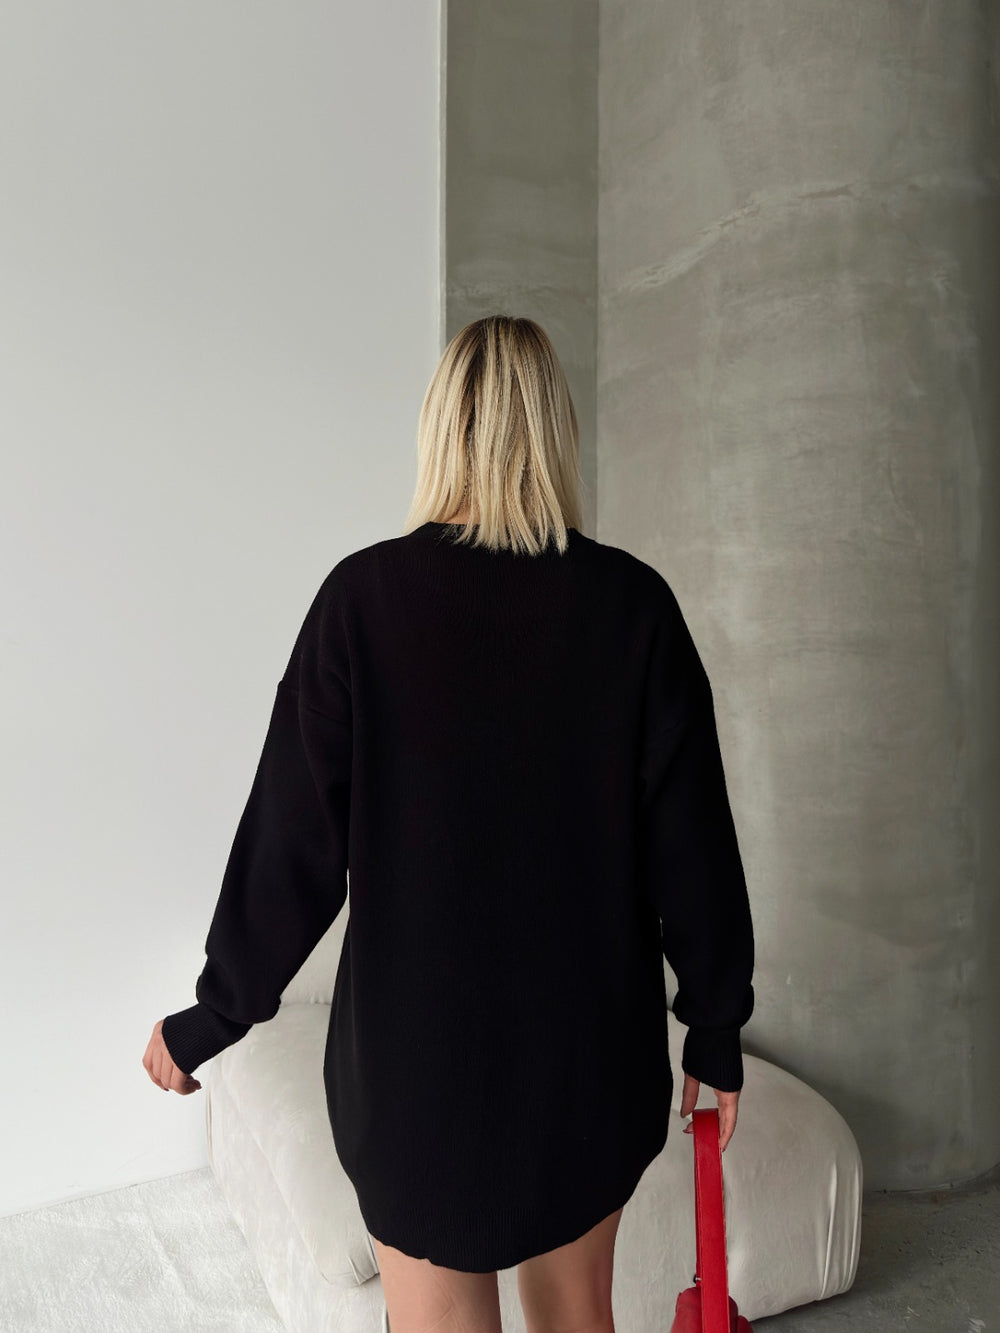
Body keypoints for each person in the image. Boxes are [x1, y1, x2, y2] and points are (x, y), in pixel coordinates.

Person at [143, 314, 755, 1333]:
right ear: (555, 434)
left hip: (411, 1072)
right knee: (576, 1315)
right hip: (585, 1060)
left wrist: (215, 1013)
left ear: (438, 432)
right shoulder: (634, 607)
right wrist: (715, 1022)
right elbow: (691, 847)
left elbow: (292, 845)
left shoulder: (360, 602)